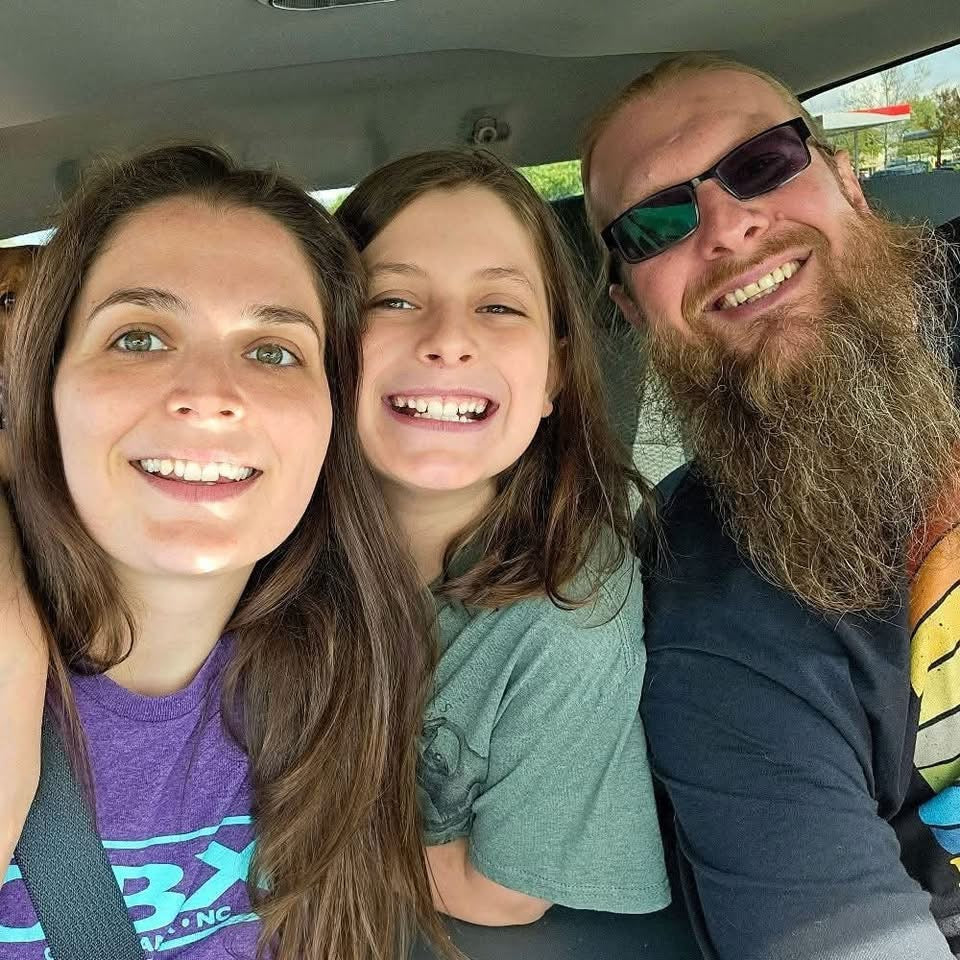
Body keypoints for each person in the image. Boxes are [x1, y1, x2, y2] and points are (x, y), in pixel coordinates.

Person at [0, 144, 450, 960]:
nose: (208, 396)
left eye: (273, 351)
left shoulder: (350, 673)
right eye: (139, 337)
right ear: (47, 388)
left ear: (328, 420)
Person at [581, 53, 960, 960]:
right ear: (633, 311)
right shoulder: (717, 620)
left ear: (848, 183)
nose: (727, 224)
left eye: (762, 165)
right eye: (657, 221)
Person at [335, 149, 670, 927]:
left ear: (554, 375)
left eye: (499, 307)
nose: (448, 340)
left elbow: (504, 895)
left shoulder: (570, 611)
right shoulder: (256, 539)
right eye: (390, 300)